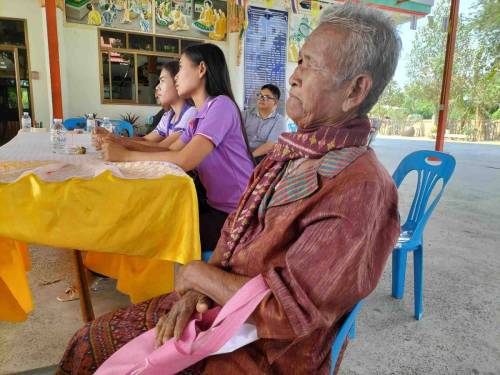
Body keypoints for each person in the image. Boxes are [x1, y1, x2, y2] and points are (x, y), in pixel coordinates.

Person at [57, 4, 401, 374]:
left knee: (94, 354)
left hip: (262, 352)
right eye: (298, 62)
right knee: (89, 342)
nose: (293, 77)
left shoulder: (359, 188)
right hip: (220, 308)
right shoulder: (294, 150)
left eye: (309, 65)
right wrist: (195, 289)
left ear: (355, 90)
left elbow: (289, 313)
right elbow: (234, 227)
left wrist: (200, 275)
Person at [101, 43, 255, 251]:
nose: (176, 76)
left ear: (201, 69)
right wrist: (119, 143)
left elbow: (185, 160)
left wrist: (125, 155)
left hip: (238, 215)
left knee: (157, 234)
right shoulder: (199, 116)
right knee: (149, 215)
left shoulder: (221, 106)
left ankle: (162, 281)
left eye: (181, 67)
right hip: (215, 206)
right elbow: (171, 151)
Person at [243, 84, 287, 163]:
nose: (261, 98)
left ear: (275, 102)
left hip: (262, 160)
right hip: (241, 153)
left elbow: (271, 145)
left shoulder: (280, 121)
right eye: (260, 95)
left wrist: (248, 158)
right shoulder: (245, 115)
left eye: (266, 97)